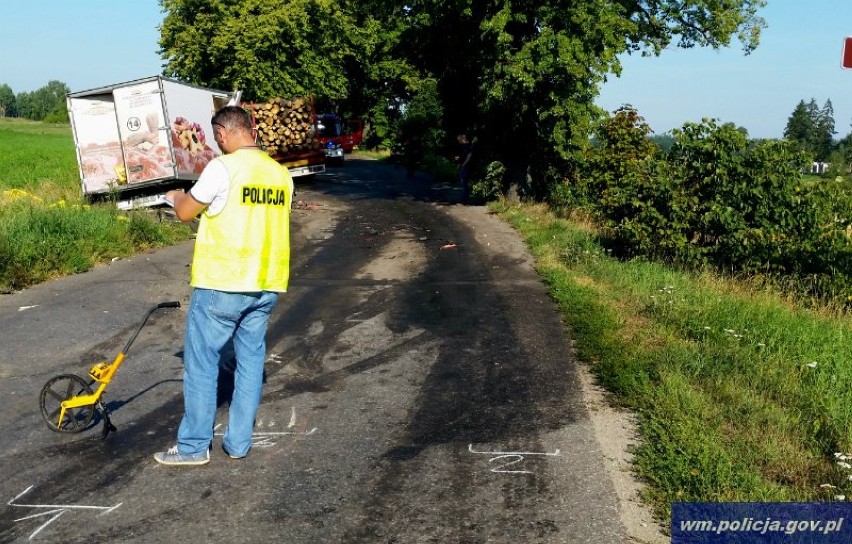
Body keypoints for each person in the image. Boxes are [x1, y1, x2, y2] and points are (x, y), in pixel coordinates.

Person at [154, 105, 294, 466]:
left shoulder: (222, 168)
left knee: (202, 364)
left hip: (222, 283)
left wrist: (174, 196)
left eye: (218, 140)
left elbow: (187, 212)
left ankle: (193, 448)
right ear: (252, 129)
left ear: (222, 135)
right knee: (250, 364)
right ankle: (238, 445)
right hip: (265, 284)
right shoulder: (281, 175)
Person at [455, 133, 473, 202]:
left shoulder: (470, 146)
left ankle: (465, 198)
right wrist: (458, 163)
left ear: (463, 139)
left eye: (459, 140)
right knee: (463, 182)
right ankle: (464, 198)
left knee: (464, 182)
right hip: (462, 166)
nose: (459, 142)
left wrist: (463, 164)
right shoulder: (462, 146)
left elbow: (469, 156)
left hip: (467, 166)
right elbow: (461, 157)